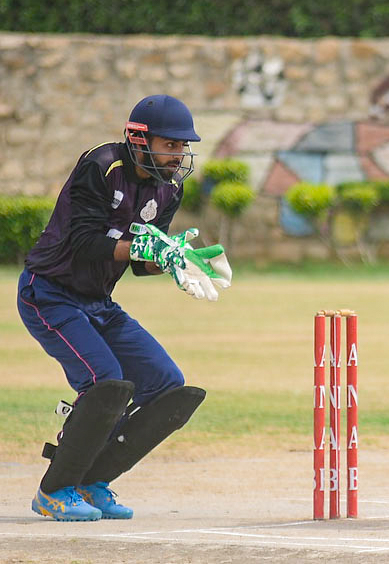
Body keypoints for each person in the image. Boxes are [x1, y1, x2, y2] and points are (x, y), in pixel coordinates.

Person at [16, 95, 232, 522]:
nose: (178, 155)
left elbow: (139, 262)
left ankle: (92, 480)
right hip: (50, 293)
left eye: (182, 146)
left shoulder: (170, 187)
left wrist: (175, 260)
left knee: (167, 384)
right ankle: (54, 491)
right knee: (104, 380)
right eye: (169, 145)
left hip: (99, 302)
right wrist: (145, 247)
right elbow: (84, 243)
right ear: (139, 140)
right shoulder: (102, 166)